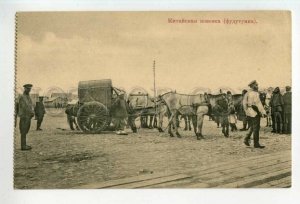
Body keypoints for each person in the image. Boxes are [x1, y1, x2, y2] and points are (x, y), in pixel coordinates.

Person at [243, 80, 267, 148]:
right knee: (256, 128)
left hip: (249, 112)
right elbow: (258, 104)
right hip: (255, 112)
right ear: (253, 86)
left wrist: (246, 112)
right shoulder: (255, 93)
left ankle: (246, 138)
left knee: (252, 127)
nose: (257, 86)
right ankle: (256, 144)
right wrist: (263, 112)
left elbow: (244, 104)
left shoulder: (247, 93)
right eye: (256, 85)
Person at [18, 84, 34, 150]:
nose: (29, 90)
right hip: (24, 116)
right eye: (28, 89)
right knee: (23, 131)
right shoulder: (22, 97)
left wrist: (32, 112)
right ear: (25, 89)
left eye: (30, 89)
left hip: (28, 116)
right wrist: (22, 115)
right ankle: (23, 146)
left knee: (26, 130)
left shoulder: (28, 97)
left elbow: (30, 106)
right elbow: (23, 107)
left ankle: (24, 144)